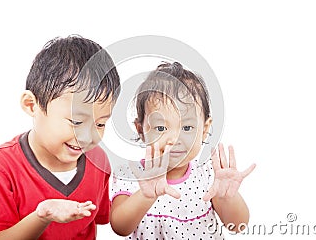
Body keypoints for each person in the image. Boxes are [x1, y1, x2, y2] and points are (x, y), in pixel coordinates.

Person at [0, 35, 120, 239]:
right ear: (31, 105)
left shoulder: (98, 161)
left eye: (100, 124)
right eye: (76, 122)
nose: (88, 136)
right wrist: (42, 216)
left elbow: (105, 220)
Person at [110, 61, 256, 239]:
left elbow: (237, 226)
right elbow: (120, 226)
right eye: (161, 128)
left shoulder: (207, 174)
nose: (175, 140)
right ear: (141, 130)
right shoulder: (131, 175)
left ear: (204, 129)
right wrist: (145, 196)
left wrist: (227, 197)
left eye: (187, 128)